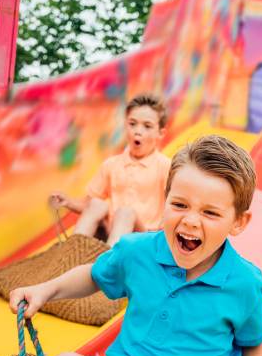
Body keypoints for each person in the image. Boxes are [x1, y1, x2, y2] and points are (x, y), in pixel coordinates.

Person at [8, 135, 262, 356]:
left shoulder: (242, 282)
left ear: (238, 222)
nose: (191, 222)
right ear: (164, 201)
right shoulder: (137, 251)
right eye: (180, 205)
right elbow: (94, 275)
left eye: (210, 212)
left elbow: (254, 343)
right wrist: (46, 289)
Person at [49, 94, 171, 246]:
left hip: (145, 237)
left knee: (126, 213)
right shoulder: (111, 165)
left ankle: (110, 262)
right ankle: (71, 252)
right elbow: (87, 205)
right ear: (125, 125)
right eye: (132, 124)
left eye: (147, 126)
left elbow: (173, 207)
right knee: (97, 204)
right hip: (113, 231)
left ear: (160, 133)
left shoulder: (165, 166)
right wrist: (68, 202)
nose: (137, 131)